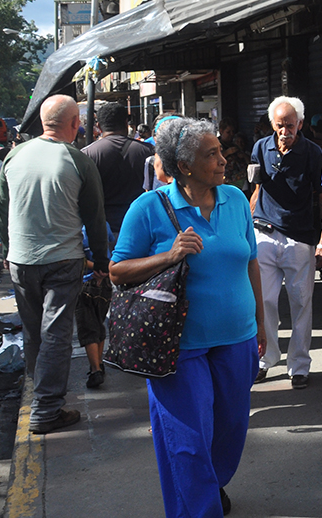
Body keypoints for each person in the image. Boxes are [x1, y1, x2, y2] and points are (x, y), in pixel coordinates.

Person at [110, 118, 265, 518]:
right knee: (188, 441)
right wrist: (169, 255)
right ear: (184, 166)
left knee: (230, 431)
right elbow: (118, 270)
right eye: (211, 154)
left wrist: (262, 322)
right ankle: (198, 508)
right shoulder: (149, 208)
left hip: (238, 337)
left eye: (220, 150)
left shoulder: (234, 199)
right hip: (178, 346)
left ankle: (210, 486)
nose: (222, 159)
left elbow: (251, 263)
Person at [0, 95, 107, 434]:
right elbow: (95, 218)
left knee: (34, 333)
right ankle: (46, 410)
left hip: (21, 261)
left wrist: (7, 248)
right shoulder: (77, 160)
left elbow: (2, 207)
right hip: (63, 260)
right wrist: (101, 262)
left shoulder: (14, 156)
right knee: (56, 334)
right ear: (75, 124)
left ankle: (39, 399)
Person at [250, 96, 322, 389]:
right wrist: (247, 224)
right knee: (265, 301)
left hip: (300, 238)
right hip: (264, 233)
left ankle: (299, 365)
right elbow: (257, 188)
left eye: (291, 126)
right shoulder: (260, 147)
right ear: (273, 124)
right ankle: (265, 359)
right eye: (280, 126)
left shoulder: (312, 153)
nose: (285, 132)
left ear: (301, 124)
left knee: (301, 303)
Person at [82, 103, 154, 235]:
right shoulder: (148, 151)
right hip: (142, 226)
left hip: (103, 229)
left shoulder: (86, 155)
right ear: (126, 123)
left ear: (98, 126)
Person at [77, 223, 115, 388]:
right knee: (98, 324)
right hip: (105, 281)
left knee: (88, 328)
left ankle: (95, 370)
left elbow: (80, 260)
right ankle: (99, 364)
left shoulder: (75, 229)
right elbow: (110, 244)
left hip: (86, 283)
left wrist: (97, 269)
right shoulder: (103, 224)